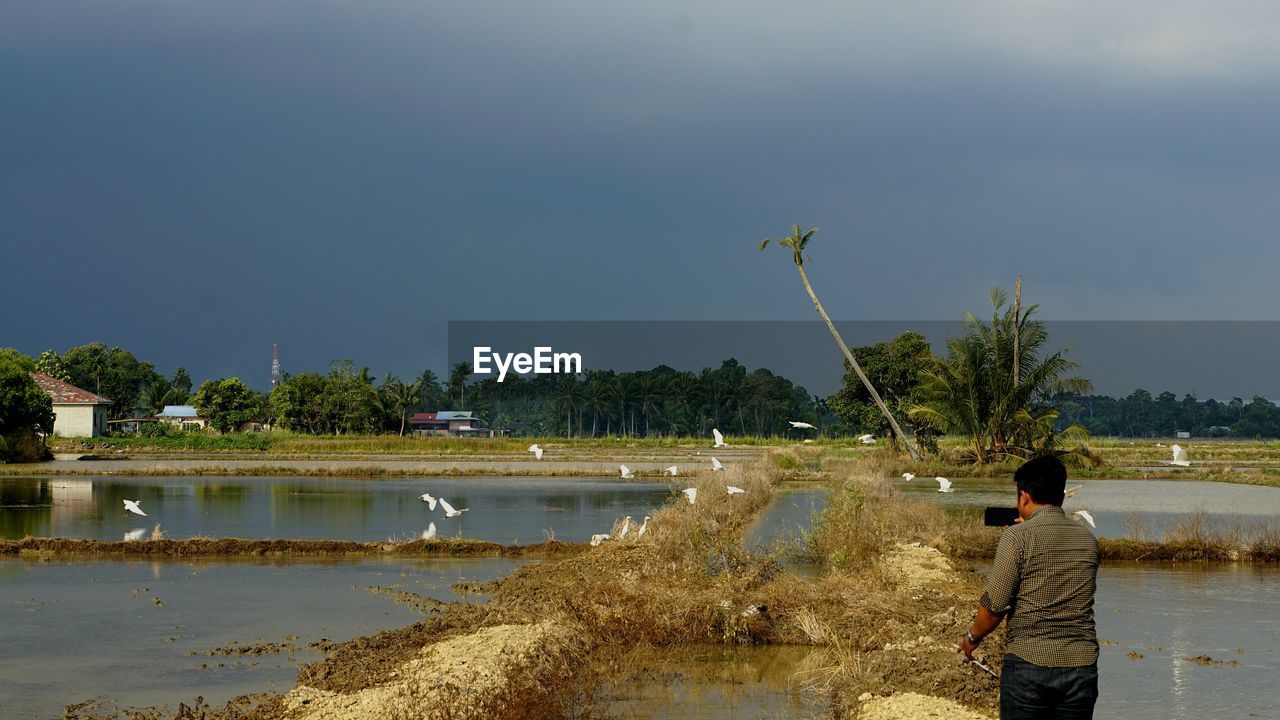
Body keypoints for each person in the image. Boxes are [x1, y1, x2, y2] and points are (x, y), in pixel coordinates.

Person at [957, 454, 1100, 719]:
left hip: (1029, 664)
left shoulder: (1016, 537)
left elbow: (995, 606)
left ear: (1024, 497)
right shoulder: (1088, 539)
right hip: (1081, 666)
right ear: (1061, 493)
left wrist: (971, 639)